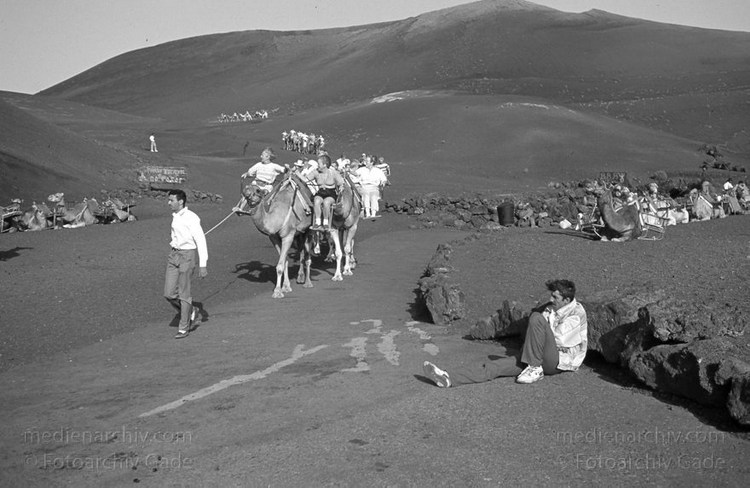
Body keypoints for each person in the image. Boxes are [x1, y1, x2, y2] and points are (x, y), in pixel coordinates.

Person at [423, 279, 587, 387]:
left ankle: (535, 368)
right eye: (551, 295)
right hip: (537, 356)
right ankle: (449, 378)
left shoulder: (576, 314)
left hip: (557, 362)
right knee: (495, 366)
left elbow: (558, 340)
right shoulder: (550, 308)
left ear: (566, 300)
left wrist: (534, 342)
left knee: (536, 318)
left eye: (555, 297)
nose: (551, 299)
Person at [164, 190, 208, 339]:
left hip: (187, 256)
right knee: (169, 294)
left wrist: (203, 264)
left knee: (184, 293)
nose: (169, 203)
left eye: (171, 200)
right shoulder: (175, 216)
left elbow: (201, 240)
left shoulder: (192, 217)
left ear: (180, 201)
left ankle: (184, 327)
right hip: (173, 255)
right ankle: (191, 310)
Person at [235, 147, 287, 213]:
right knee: (247, 191)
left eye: (262, 155)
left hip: (266, 187)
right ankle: (240, 208)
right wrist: (246, 174)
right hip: (256, 184)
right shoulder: (258, 165)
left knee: (264, 196)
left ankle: (260, 211)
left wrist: (287, 168)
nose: (261, 156)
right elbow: (250, 172)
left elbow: (283, 170)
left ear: (267, 157)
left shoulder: (274, 166)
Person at [311, 154, 344, 231]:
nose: (318, 165)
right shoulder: (316, 172)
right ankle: (318, 222)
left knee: (326, 202)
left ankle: (325, 222)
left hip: (330, 193)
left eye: (319, 163)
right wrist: (297, 174)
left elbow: (341, 182)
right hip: (321, 192)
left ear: (325, 165)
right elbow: (306, 179)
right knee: (316, 200)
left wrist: (341, 187)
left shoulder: (333, 173)